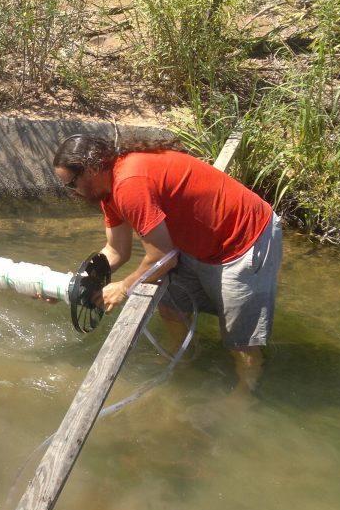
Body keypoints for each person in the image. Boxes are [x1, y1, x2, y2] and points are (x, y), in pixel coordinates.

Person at [52, 133, 282, 396]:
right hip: (201, 244)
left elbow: (163, 257)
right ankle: (181, 357)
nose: (73, 193)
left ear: (91, 169)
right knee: (171, 304)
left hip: (244, 240)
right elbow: (116, 251)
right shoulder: (110, 191)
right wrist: (69, 287)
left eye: (71, 184)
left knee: (240, 341)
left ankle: (245, 393)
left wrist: (124, 287)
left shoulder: (129, 185)